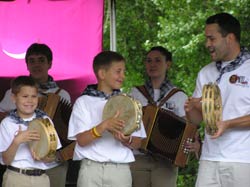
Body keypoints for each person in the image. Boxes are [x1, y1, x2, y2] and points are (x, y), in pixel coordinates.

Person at [184, 13, 250, 187]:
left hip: (243, 160)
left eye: (211, 39)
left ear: (229, 38)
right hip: (209, 159)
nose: (207, 45)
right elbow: (199, 120)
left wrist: (228, 124)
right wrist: (191, 109)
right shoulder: (206, 72)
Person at [67, 50, 147, 187]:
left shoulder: (129, 102)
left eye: (123, 71)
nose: (123, 76)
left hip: (119, 170)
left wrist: (127, 140)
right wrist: (103, 126)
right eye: (118, 71)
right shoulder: (83, 102)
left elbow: (139, 142)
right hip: (91, 170)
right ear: (102, 74)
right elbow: (81, 141)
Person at [0, 43, 71, 187]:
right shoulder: (12, 94)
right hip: (18, 171)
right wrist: (16, 120)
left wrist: (50, 150)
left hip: (51, 166)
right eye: (32, 61)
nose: (36, 64)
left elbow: (68, 127)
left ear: (49, 63)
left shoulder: (62, 94)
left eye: (41, 60)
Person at [130, 46, 200, 187]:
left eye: (157, 60)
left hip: (166, 162)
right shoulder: (135, 93)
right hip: (138, 157)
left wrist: (192, 143)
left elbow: (189, 128)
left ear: (168, 64)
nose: (152, 64)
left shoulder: (179, 96)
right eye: (149, 61)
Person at [0, 76, 62, 187]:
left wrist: (44, 156)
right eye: (25, 96)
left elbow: (52, 156)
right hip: (15, 177)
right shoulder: (7, 123)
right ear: (14, 98)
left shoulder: (45, 121)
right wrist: (17, 141)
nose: (30, 100)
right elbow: (6, 160)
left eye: (34, 96)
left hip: (41, 179)